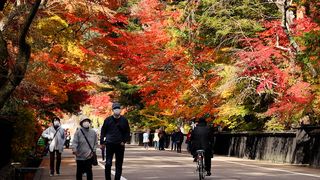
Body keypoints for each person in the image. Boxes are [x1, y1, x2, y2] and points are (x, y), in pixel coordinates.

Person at [100, 102, 131, 180]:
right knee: (108, 163)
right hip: (109, 143)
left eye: (118, 108)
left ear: (120, 110)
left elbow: (127, 132)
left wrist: (124, 141)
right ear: (112, 110)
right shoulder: (107, 120)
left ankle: (117, 178)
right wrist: (102, 143)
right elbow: (103, 131)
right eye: (115, 108)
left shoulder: (124, 120)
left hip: (120, 144)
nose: (117, 110)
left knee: (119, 164)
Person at [72, 115, 98, 180]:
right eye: (84, 121)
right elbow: (74, 142)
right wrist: (74, 150)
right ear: (81, 123)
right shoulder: (78, 132)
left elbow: (95, 143)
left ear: (89, 122)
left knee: (89, 171)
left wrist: (93, 151)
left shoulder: (93, 132)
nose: (86, 122)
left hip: (89, 155)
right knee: (79, 172)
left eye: (87, 121)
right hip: (79, 156)